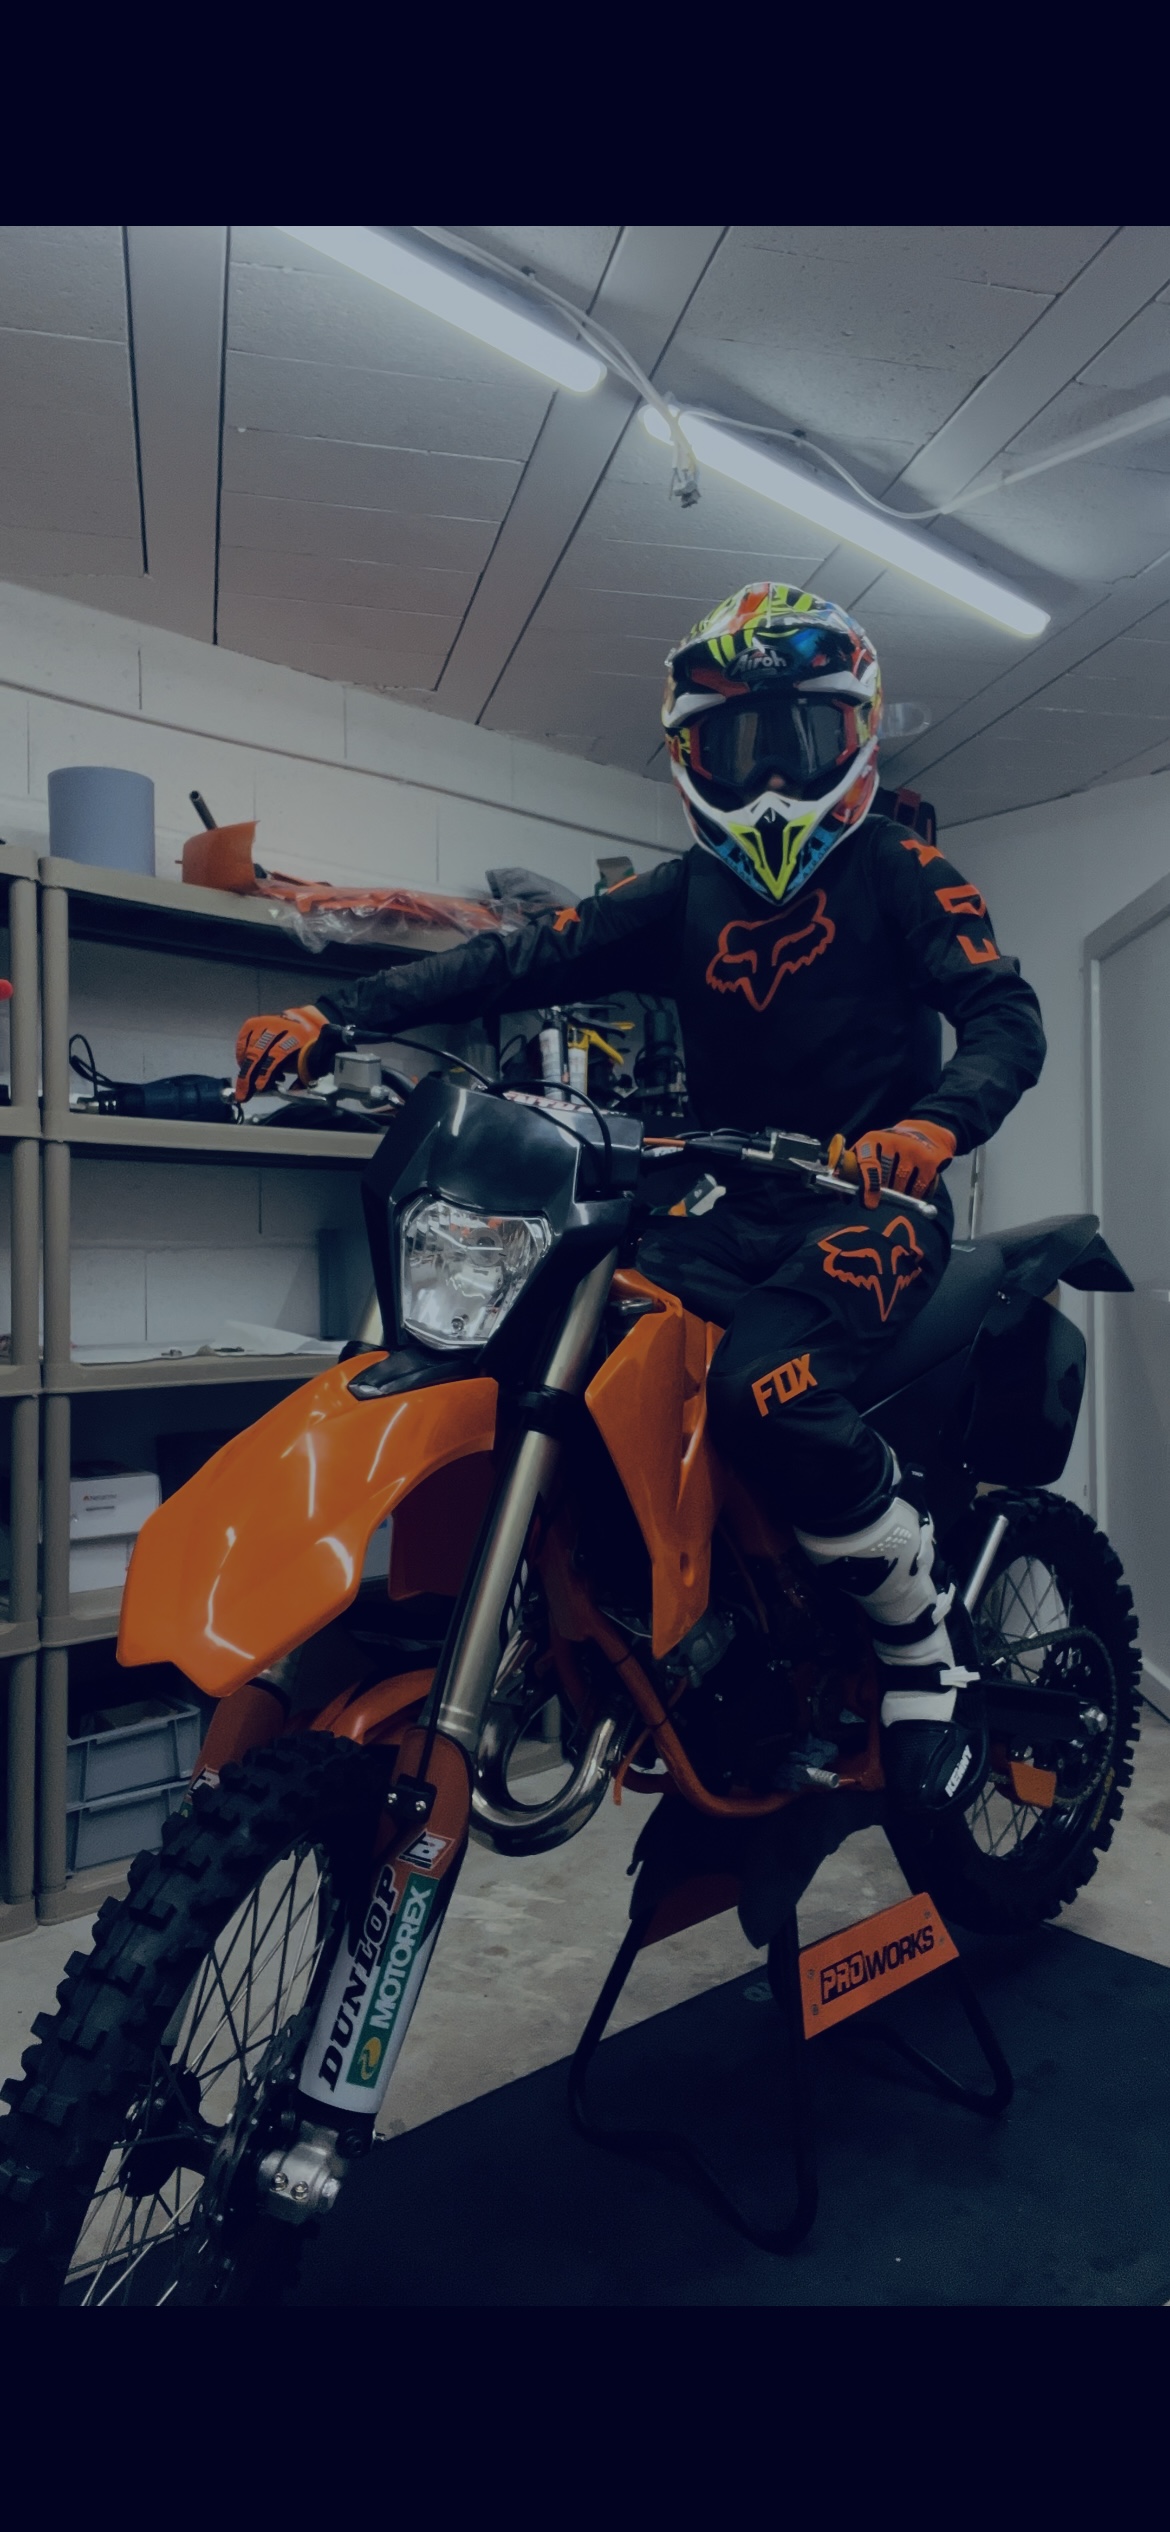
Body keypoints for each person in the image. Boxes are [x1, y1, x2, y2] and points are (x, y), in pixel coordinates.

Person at [235, 583, 1045, 1812]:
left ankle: (918, 1642)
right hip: (730, 1201)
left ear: (857, 734)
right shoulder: (683, 894)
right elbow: (518, 955)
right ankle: (677, 1612)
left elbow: (1004, 1015)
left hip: (869, 1200)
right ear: (687, 755)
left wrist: (932, 1127)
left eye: (799, 736)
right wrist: (332, 1013)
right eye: (736, 743)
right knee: (582, 1348)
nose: (767, 774)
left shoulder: (901, 870)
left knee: (764, 1387)